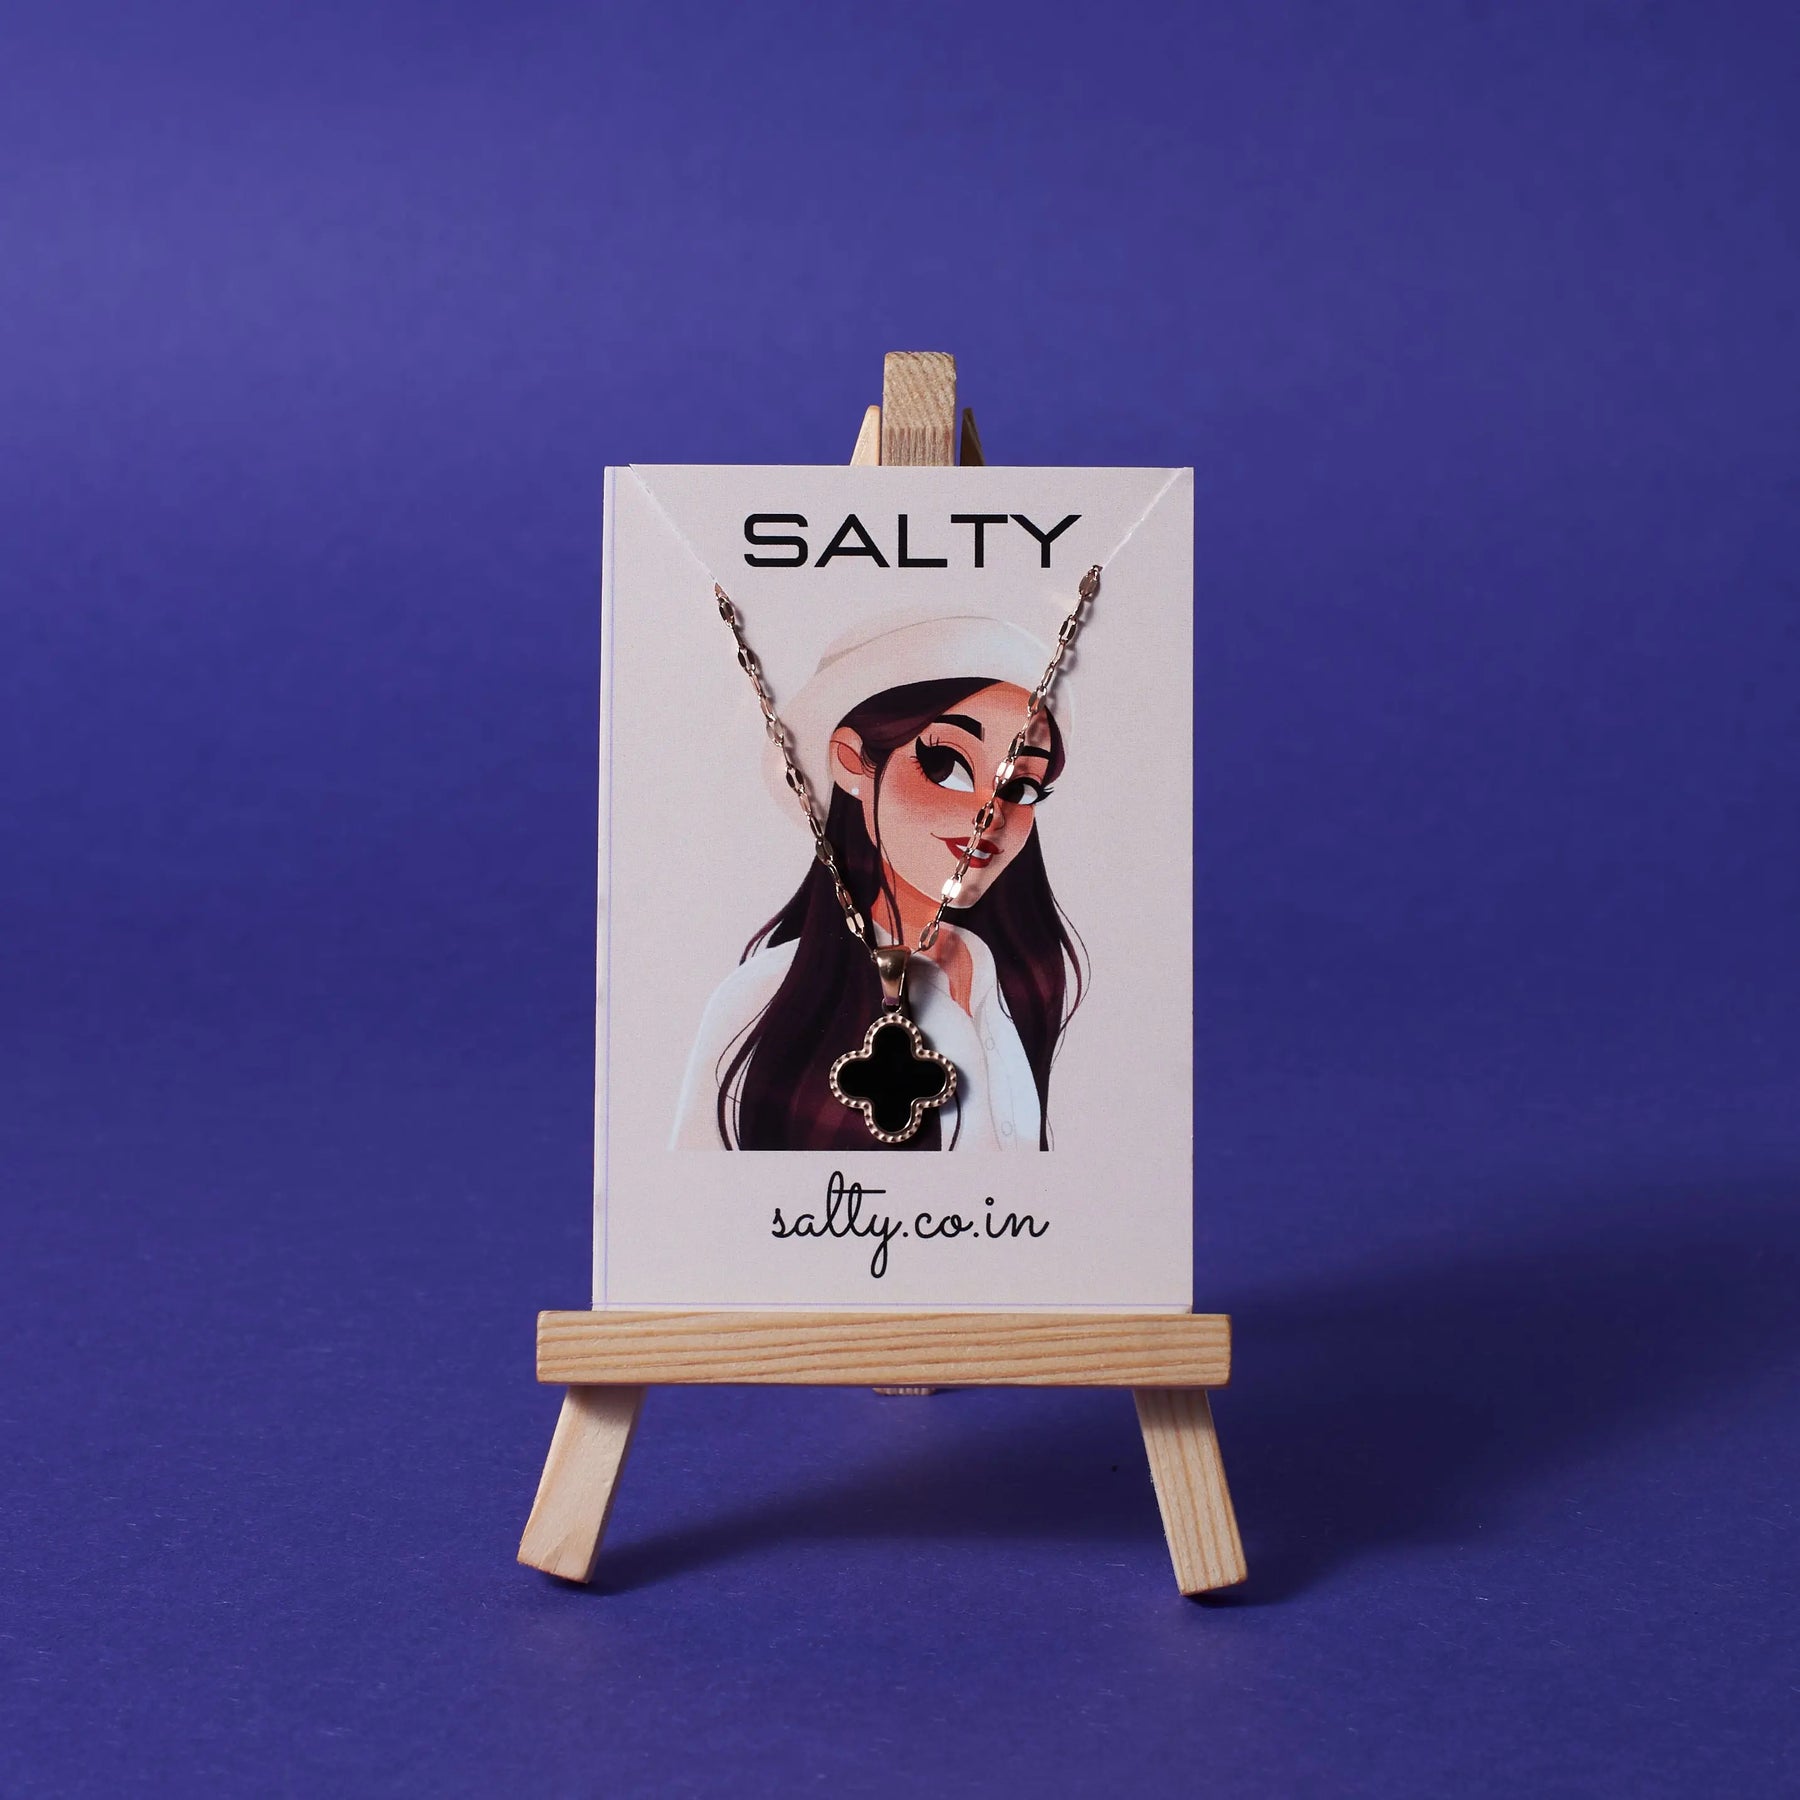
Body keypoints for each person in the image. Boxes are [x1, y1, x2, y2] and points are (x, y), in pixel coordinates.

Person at [671, 611, 1086, 1151]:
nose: (990, 814)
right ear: (852, 762)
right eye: (946, 766)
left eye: (1021, 788)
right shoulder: (762, 997)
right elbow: (699, 1188)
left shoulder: (1010, 984)